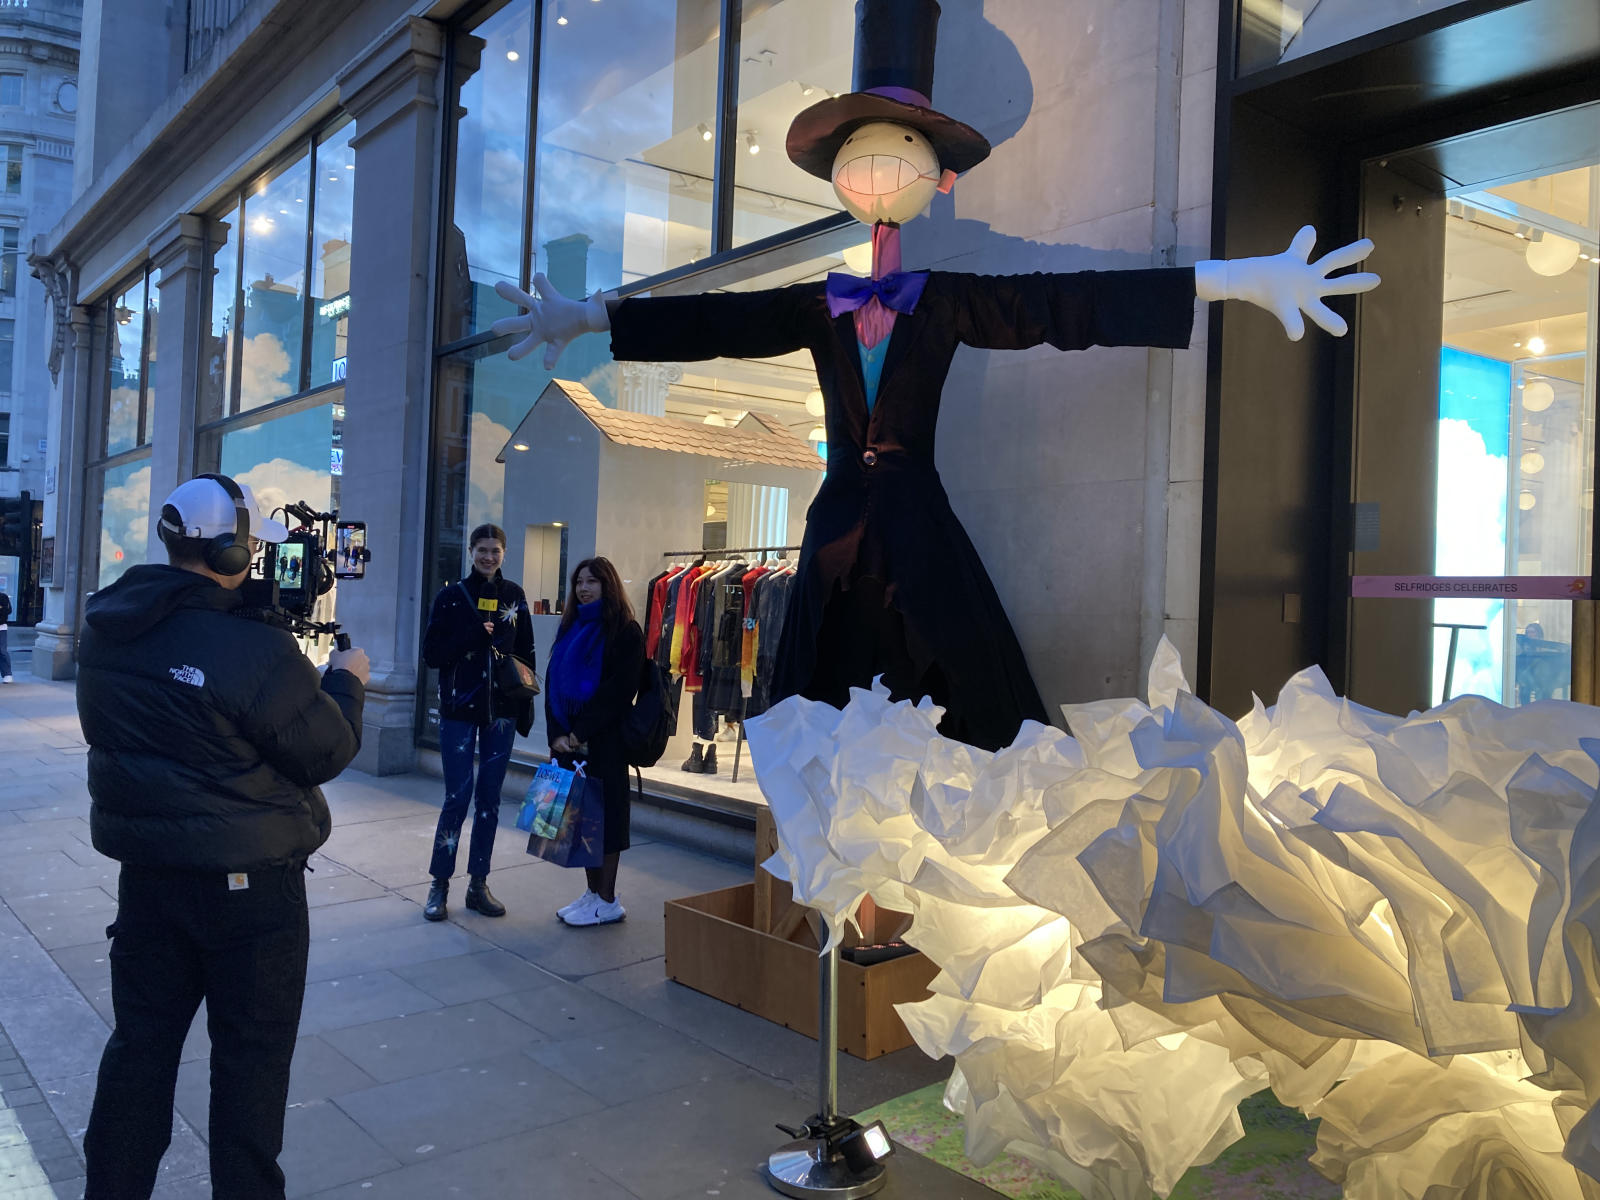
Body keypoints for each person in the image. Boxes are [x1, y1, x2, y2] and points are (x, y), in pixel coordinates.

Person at [76, 473, 370, 1199]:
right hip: (250, 896)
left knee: (139, 1055)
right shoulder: (254, 652)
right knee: (250, 1076)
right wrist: (345, 684)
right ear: (235, 553)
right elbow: (323, 750)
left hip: (148, 883)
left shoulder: (107, 630)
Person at [420, 523, 535, 921]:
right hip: (458, 711)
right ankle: (439, 883)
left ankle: (478, 883)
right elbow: (432, 654)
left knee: (489, 800)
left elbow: (526, 655)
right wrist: (471, 636)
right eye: (482, 550)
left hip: (500, 712)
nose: (488, 557)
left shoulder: (514, 596)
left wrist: (525, 708)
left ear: (504, 553)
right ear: (470, 551)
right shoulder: (451, 597)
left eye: (495, 551)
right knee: (456, 797)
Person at [547, 556, 646, 926]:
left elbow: (618, 692)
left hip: (603, 745)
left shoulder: (625, 631)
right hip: (568, 746)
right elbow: (553, 682)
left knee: (606, 824)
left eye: (592, 581)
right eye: (579, 582)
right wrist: (557, 733)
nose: (584, 588)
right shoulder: (570, 627)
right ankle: (591, 895)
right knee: (579, 824)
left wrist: (579, 732)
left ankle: (607, 900)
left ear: (608, 585)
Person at [0, 586, 12, 682]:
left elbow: (8, 610)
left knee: (2, 651)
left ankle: (7, 674)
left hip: (1, 628)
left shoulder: (3, 597)